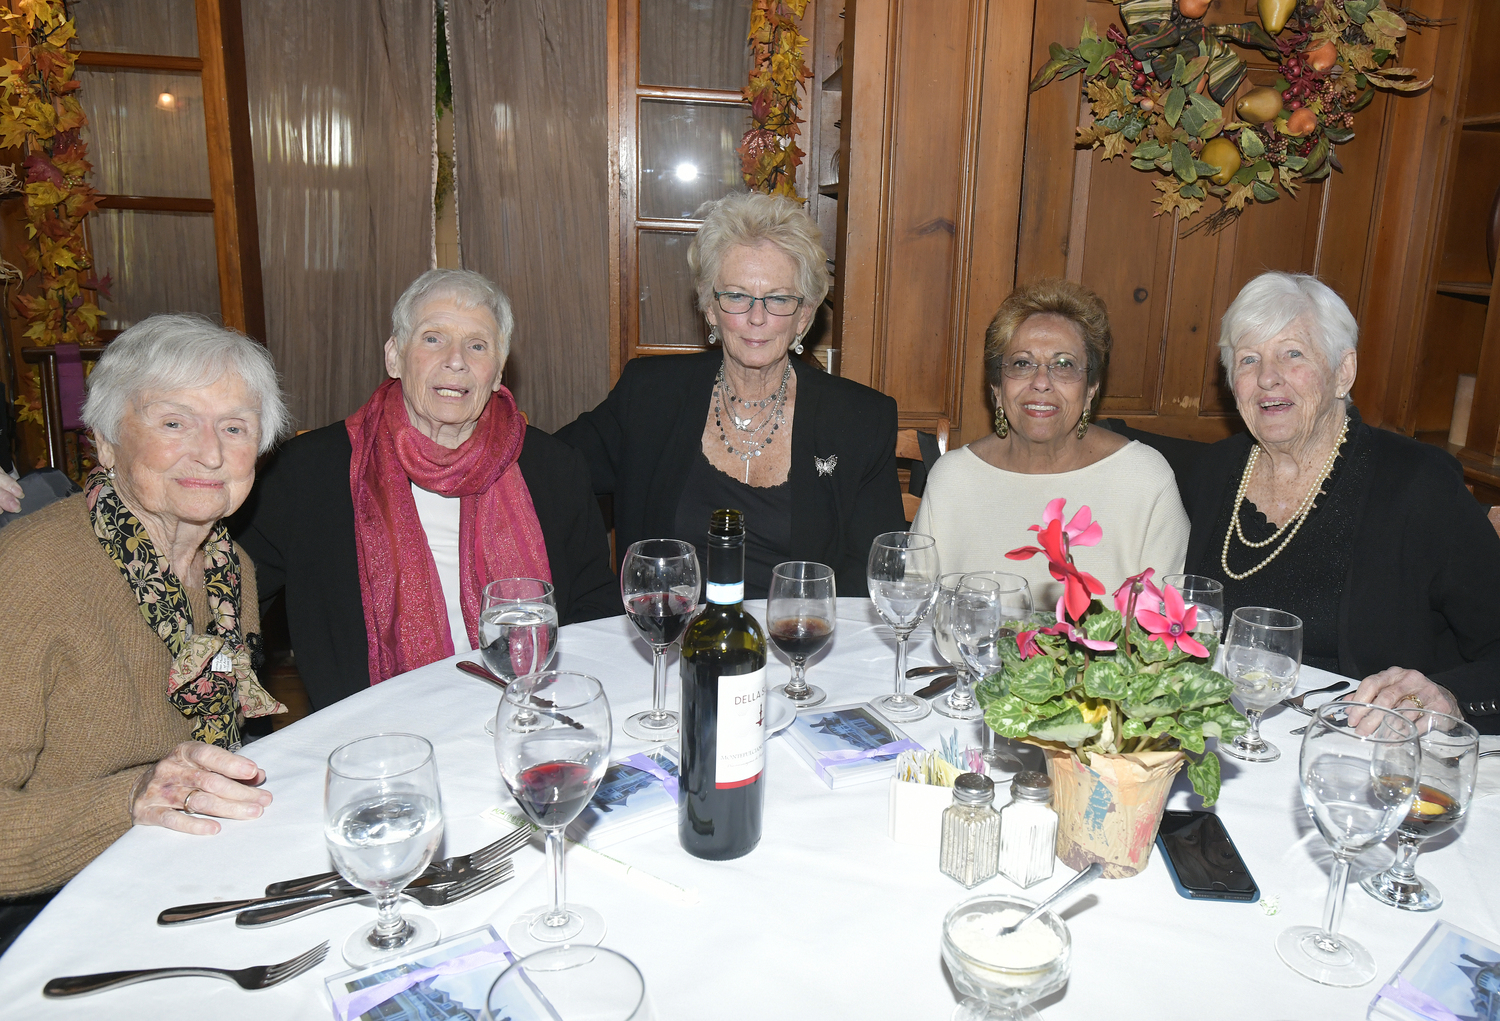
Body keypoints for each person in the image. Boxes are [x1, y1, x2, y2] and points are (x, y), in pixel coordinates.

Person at [0, 316, 287, 938]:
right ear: (104, 441)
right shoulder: (27, 576)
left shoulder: (228, 570)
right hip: (58, 913)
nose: (211, 453)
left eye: (234, 427)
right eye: (174, 422)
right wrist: (129, 802)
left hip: (190, 875)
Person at [235, 269, 617, 711]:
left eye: (478, 345)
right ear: (394, 356)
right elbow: (233, 592)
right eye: (433, 338)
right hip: (376, 731)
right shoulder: (309, 472)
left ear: (497, 372)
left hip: (527, 711)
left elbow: (595, 607)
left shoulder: (554, 468)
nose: (456, 360)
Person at [1177, 271, 1500, 732]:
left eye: (1293, 354)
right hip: (1220, 735)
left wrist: (1447, 697)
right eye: (1249, 360)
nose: (1268, 377)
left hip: (1360, 748)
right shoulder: (1212, 474)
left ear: (1342, 372)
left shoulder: (1418, 484)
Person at [557, 192, 905, 599]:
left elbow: (876, 576)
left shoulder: (859, 419)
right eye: (737, 296)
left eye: (778, 299)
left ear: (804, 316)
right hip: (670, 642)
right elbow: (553, 473)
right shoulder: (650, 395)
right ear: (709, 307)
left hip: (794, 644)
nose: (756, 318)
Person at [912, 279, 1189, 610]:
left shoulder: (1144, 479)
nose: (1041, 382)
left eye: (1064, 365)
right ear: (997, 388)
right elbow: (915, 606)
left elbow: (1168, 624)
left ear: (1090, 389)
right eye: (1022, 363)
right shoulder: (952, 478)